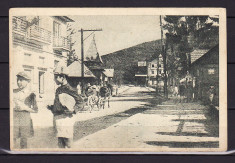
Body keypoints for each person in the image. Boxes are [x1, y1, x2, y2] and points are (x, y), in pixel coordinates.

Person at [48, 65, 84, 148]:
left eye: (56, 77)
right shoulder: (58, 89)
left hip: (67, 118)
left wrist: (73, 110)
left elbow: (81, 102)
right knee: (60, 140)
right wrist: (52, 107)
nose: (54, 79)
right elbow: (59, 103)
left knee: (68, 141)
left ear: (63, 77)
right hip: (57, 117)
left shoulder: (70, 89)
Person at [13, 71, 38, 149]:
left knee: (23, 141)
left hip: (25, 118)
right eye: (18, 80)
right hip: (14, 118)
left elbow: (35, 110)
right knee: (12, 138)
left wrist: (24, 108)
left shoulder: (31, 94)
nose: (18, 82)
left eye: (21, 80)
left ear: (27, 81)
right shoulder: (13, 92)